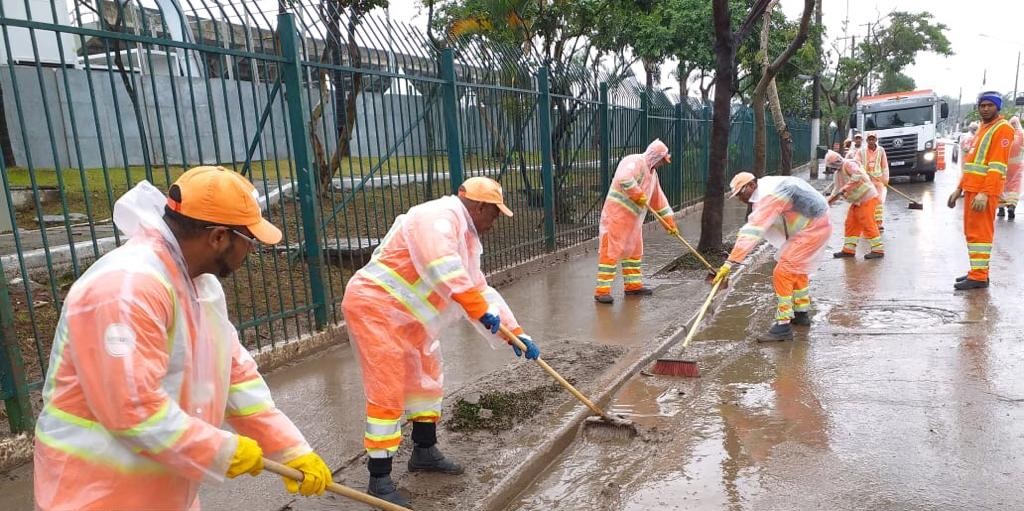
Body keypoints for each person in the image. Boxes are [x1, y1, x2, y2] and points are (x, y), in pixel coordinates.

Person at [33, 167, 333, 510]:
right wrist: (222, 450)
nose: (251, 252)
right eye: (249, 240)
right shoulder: (126, 289)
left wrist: (292, 450)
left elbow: (236, 377)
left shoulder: (199, 286)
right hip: (95, 494)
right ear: (219, 237)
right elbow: (134, 410)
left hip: (161, 491)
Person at [340, 176, 540, 507]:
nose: (494, 223)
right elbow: (443, 267)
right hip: (377, 308)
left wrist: (515, 334)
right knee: (387, 391)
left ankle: (425, 450)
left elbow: (478, 289)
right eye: (494, 214)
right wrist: (477, 308)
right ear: (479, 207)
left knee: (427, 381)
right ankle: (379, 478)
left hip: (410, 319)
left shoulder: (466, 237)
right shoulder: (437, 216)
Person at [712, 172, 832, 342]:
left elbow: (754, 229)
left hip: (811, 230)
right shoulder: (769, 186)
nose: (740, 198)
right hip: (815, 227)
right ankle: (801, 313)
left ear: (752, 185)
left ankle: (783, 326)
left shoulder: (770, 196)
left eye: (741, 193)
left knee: (782, 272)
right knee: (797, 269)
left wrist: (730, 262)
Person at [594, 139, 678, 304]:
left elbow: (658, 199)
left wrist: (669, 222)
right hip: (616, 217)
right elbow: (624, 178)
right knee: (611, 252)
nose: (662, 164)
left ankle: (633, 286)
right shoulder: (634, 161)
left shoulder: (653, 175)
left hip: (633, 222)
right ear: (656, 157)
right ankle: (602, 290)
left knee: (633, 252)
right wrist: (637, 194)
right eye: (662, 160)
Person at [948, 91, 1016, 290]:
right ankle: (978, 272)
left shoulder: (1002, 129)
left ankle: (978, 276)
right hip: (972, 189)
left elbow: (997, 166)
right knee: (972, 233)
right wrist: (958, 188)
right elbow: (972, 164)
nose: (985, 108)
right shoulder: (984, 128)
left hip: (983, 191)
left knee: (980, 234)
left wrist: (985, 193)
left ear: (998, 107)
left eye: (990, 105)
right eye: (982, 105)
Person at [825, 150, 884, 259]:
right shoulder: (838, 173)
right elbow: (836, 191)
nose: (835, 165)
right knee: (851, 223)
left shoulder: (849, 164)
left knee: (867, 222)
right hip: (858, 201)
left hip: (868, 197)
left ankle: (878, 249)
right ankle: (849, 250)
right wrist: (827, 203)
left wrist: (845, 188)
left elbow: (857, 176)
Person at [855, 131, 890, 231]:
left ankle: (878, 223)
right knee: (866, 202)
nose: (871, 141)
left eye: (873, 139)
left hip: (878, 180)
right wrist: (861, 168)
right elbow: (856, 162)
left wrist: (885, 179)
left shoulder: (881, 151)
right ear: (866, 140)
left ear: (876, 140)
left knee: (878, 202)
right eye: (869, 139)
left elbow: (884, 165)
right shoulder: (861, 151)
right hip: (866, 181)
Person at [998, 116, 1024, 219]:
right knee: (1015, 187)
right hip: (1017, 166)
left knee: (1002, 186)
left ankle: (1001, 209)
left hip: (1004, 165)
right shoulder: (1022, 134)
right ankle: (1011, 206)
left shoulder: (1005, 133)